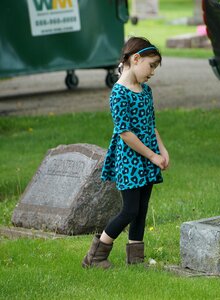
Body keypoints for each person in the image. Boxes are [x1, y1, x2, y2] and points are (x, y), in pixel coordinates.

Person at [82, 37, 169, 269]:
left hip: (149, 157)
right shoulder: (119, 94)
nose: (152, 73)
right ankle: (95, 256)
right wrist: (152, 155)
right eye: (151, 66)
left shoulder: (146, 90)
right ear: (136, 59)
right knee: (129, 209)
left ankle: (136, 259)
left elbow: (151, 124)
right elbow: (125, 133)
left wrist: (161, 149)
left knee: (141, 209)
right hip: (131, 160)